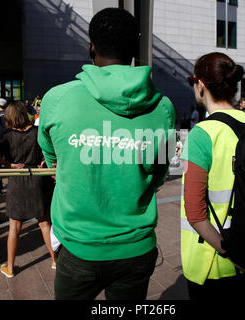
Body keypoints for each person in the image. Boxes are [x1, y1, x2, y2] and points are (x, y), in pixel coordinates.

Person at [38, 7, 175, 300]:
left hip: (78, 246)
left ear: (91, 47)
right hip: (135, 247)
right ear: (135, 48)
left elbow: (53, 160)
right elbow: (159, 172)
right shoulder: (162, 108)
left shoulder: (57, 99)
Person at [181, 52, 245, 300]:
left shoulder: (203, 133)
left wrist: (231, 254)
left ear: (201, 85)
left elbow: (195, 213)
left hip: (213, 260)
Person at [0, 101, 56, 278]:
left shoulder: (8, 135)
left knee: (14, 228)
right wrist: (43, 161)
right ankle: (55, 260)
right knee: (44, 223)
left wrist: (8, 164)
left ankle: (10, 267)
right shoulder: (37, 132)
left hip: (17, 181)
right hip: (38, 181)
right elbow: (50, 150)